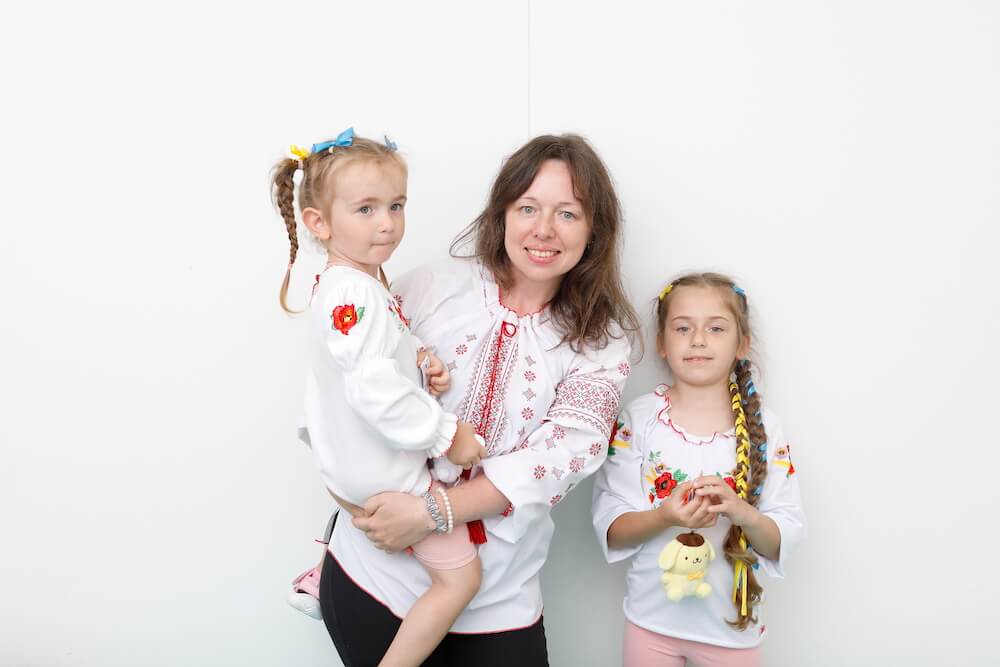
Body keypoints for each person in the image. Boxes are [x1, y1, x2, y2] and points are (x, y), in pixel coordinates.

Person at [316, 134, 639, 666]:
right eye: (528, 207)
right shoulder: (429, 287)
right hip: (375, 576)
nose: (543, 230)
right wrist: (358, 503)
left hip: (498, 601)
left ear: (594, 230)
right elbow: (348, 392)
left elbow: (562, 457)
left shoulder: (601, 342)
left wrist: (432, 512)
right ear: (502, 213)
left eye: (568, 214)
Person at [271, 128, 487, 667]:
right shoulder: (355, 293)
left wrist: (420, 365)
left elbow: (370, 361)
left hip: (348, 462)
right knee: (461, 577)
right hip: (378, 474)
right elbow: (371, 388)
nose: (387, 222)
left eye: (396, 205)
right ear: (319, 222)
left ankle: (329, 561)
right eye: (365, 209)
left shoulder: (352, 282)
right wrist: (447, 434)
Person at [592, 272, 807, 667]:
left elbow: (782, 539)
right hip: (649, 625)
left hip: (732, 634)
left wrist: (742, 513)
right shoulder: (637, 421)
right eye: (682, 327)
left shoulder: (766, 429)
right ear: (661, 343)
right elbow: (613, 529)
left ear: (742, 344)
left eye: (716, 328)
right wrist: (664, 516)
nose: (698, 340)